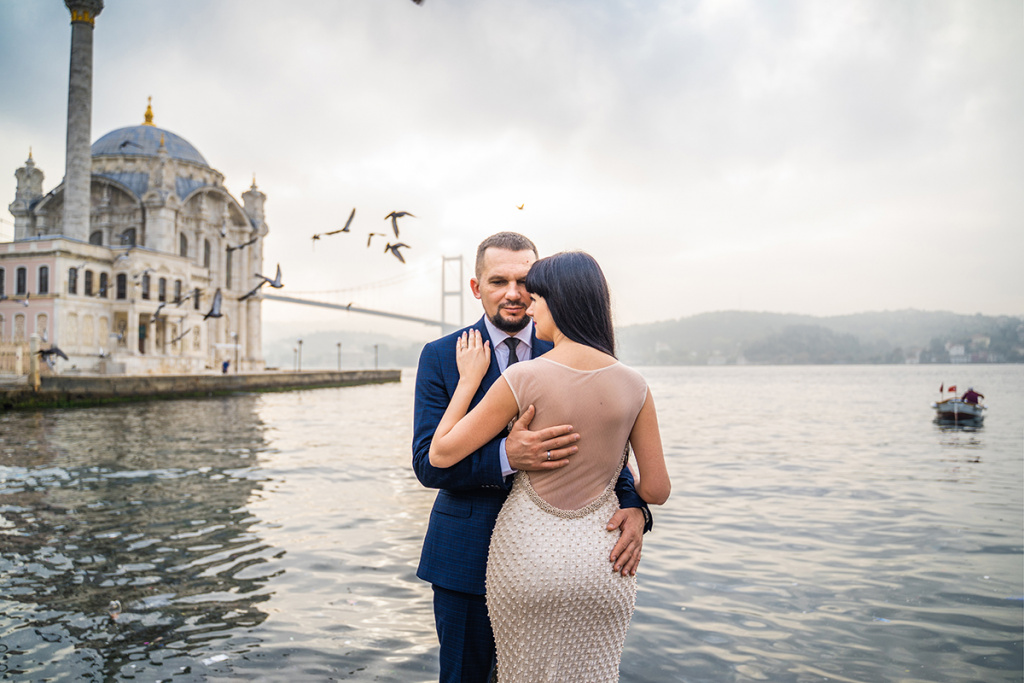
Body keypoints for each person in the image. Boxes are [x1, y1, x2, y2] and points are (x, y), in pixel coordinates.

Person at [412, 233, 652, 683]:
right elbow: (428, 463)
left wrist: (636, 507)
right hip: (465, 558)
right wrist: (507, 455)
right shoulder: (441, 356)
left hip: (558, 562)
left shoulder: (573, 347)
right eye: (498, 281)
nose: (514, 293)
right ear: (476, 287)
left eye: (524, 281)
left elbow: (610, 447)